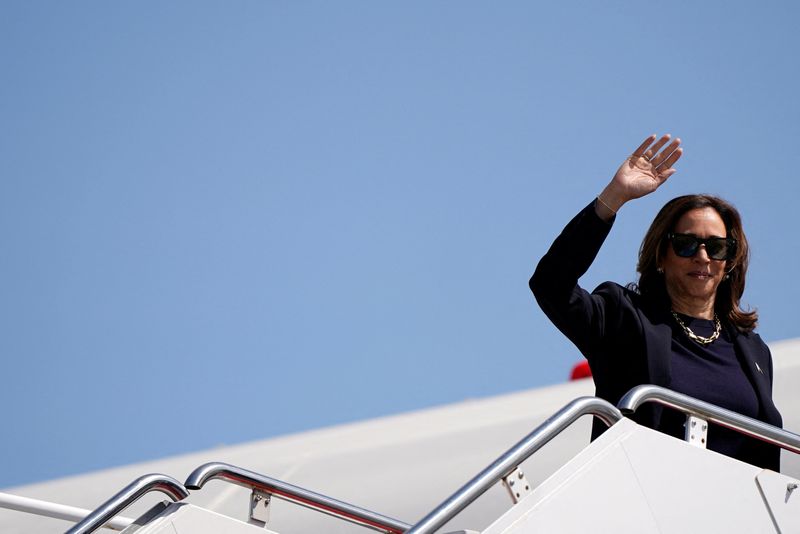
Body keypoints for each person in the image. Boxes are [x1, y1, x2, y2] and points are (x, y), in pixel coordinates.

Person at [529, 134, 783, 470]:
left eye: (717, 247)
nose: (703, 257)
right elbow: (551, 284)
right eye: (687, 245)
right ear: (661, 254)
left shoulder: (753, 351)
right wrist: (613, 198)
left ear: (730, 261)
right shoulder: (624, 318)